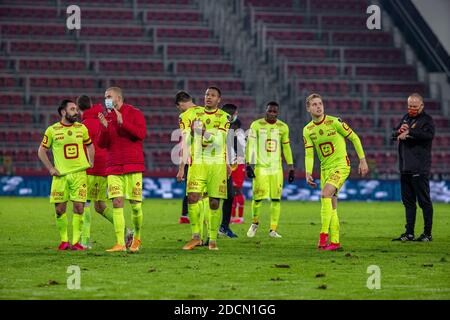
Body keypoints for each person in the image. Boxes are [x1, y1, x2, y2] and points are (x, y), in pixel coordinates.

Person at [303, 93, 368, 251]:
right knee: (331, 205)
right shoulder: (307, 130)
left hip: (341, 165)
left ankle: (323, 237)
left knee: (325, 194)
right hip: (325, 169)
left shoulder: (334, 122)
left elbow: (354, 138)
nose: (318, 106)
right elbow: (309, 154)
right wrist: (308, 172)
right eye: (314, 104)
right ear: (308, 108)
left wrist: (362, 160)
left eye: (320, 103)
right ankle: (335, 242)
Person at [77, 95, 133, 249]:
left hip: (91, 167)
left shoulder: (84, 125)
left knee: (85, 203)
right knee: (100, 206)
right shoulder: (102, 118)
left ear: (79, 108)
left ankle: (85, 240)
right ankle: (126, 231)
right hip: (105, 166)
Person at [37, 99, 94, 251]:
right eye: (72, 109)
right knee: (59, 210)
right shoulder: (52, 130)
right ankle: (64, 241)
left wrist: (91, 161)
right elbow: (41, 151)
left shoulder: (82, 128)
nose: (76, 112)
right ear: (63, 112)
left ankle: (75, 242)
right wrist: (50, 168)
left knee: (79, 208)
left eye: (76, 109)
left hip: (79, 174)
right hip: (61, 176)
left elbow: (90, 145)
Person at [180, 87, 231, 251]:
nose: (209, 97)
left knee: (214, 203)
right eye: (207, 94)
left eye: (213, 95)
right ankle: (196, 236)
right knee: (192, 197)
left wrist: (204, 133)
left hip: (216, 165)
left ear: (219, 100)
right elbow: (186, 137)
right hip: (197, 162)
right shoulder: (194, 114)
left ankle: (213, 239)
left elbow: (220, 140)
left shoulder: (224, 117)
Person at [98, 87, 146, 253]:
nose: (106, 99)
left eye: (109, 96)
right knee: (117, 202)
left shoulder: (134, 113)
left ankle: (137, 236)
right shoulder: (107, 116)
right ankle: (119, 243)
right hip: (113, 166)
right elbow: (102, 144)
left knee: (135, 207)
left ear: (118, 97)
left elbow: (141, 134)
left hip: (133, 165)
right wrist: (104, 127)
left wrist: (122, 122)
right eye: (105, 97)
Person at [246, 102, 295, 239]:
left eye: (275, 112)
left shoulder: (283, 127)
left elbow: (286, 148)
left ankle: (273, 229)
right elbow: (251, 145)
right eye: (270, 111)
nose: (272, 114)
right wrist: (249, 164)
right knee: (257, 198)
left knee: (276, 199)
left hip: (276, 169)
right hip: (261, 168)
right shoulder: (256, 125)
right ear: (265, 111)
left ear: (277, 112)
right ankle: (255, 223)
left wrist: (290, 167)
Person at [392, 93, 435, 242]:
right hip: (405, 168)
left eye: (414, 106)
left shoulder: (427, 120)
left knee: (424, 202)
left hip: (419, 168)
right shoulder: (406, 118)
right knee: (408, 202)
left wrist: (409, 132)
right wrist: (398, 131)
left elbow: (428, 136)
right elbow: (393, 134)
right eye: (409, 106)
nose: (411, 109)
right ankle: (409, 233)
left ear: (421, 106)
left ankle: (427, 234)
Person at [175, 90, 209, 243]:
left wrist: (181, 168)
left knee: (194, 198)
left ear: (180, 104)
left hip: (195, 162)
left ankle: (197, 236)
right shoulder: (206, 111)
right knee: (206, 199)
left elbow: (186, 142)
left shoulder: (185, 116)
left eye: (179, 107)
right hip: (212, 162)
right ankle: (208, 235)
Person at [218, 103, 244, 238]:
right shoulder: (218, 127)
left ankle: (224, 227)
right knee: (212, 199)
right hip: (214, 166)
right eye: (235, 113)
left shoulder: (233, 128)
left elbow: (236, 146)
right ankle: (205, 230)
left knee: (229, 196)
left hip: (227, 166)